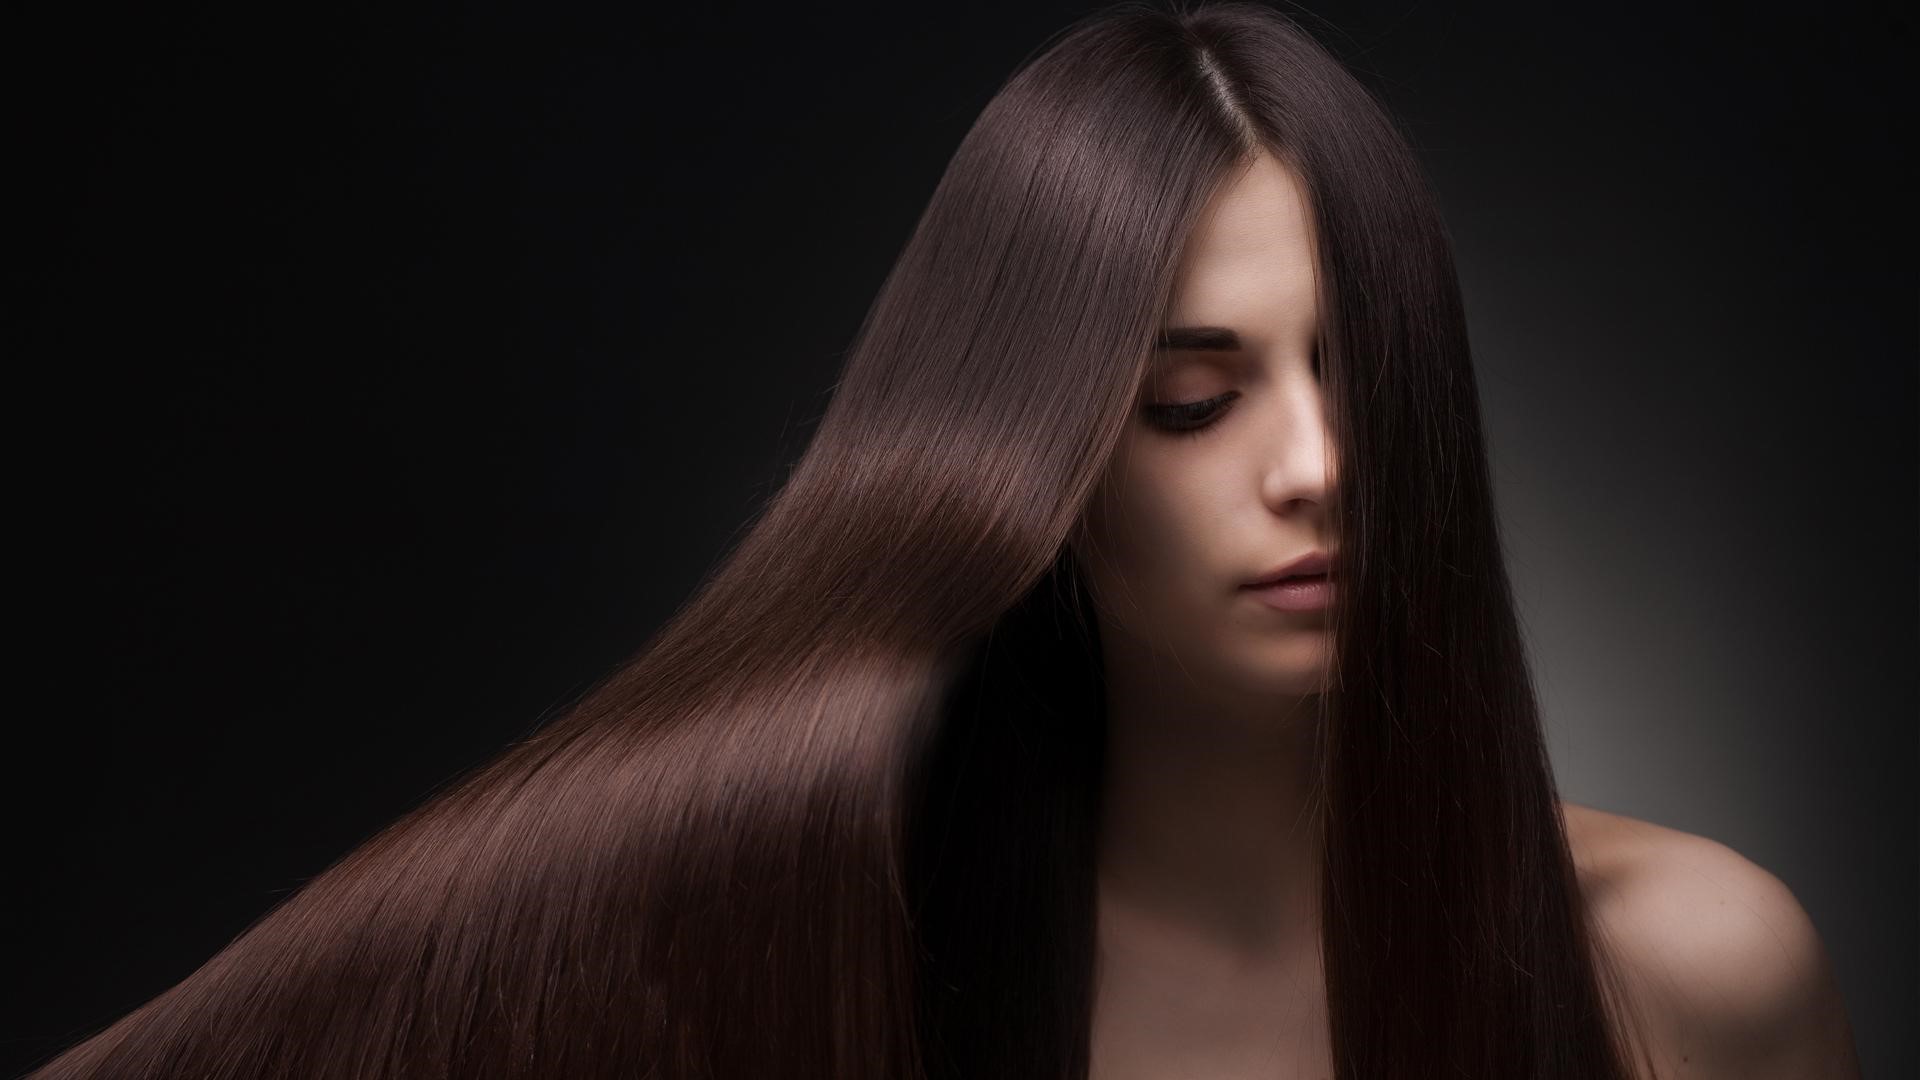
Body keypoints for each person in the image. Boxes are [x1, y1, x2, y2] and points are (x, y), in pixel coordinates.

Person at [28, 2, 1859, 1078]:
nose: (1318, 467)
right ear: (1034, 446)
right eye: (1189, 398)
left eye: (1361, 377)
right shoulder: (816, 954)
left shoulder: (1690, 965)